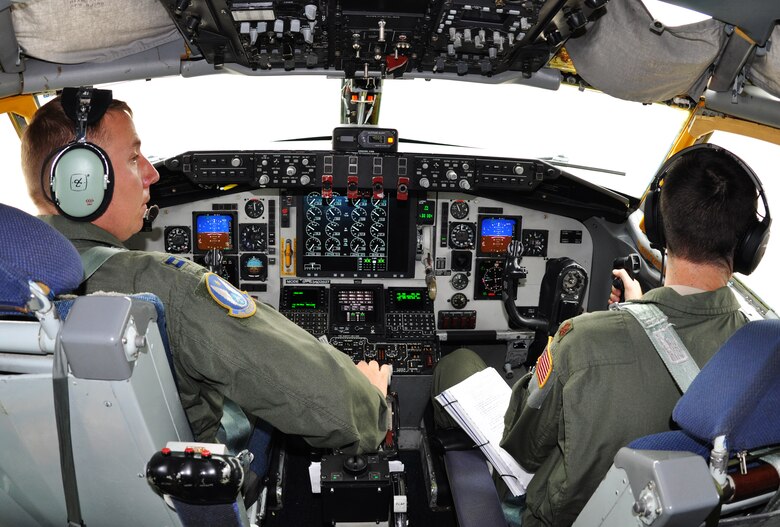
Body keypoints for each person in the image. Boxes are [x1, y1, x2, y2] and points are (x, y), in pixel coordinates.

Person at [21, 92, 391, 455]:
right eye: (134, 157)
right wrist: (370, 402)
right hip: (189, 484)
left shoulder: (16, 286)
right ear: (79, 179)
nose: (152, 173)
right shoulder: (165, 284)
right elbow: (328, 406)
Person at [433, 144, 768, 526]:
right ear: (749, 246)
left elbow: (522, 448)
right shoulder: (763, 353)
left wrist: (571, 341)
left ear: (656, 224)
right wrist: (645, 314)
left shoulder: (583, 339)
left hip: (562, 519)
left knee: (457, 364)